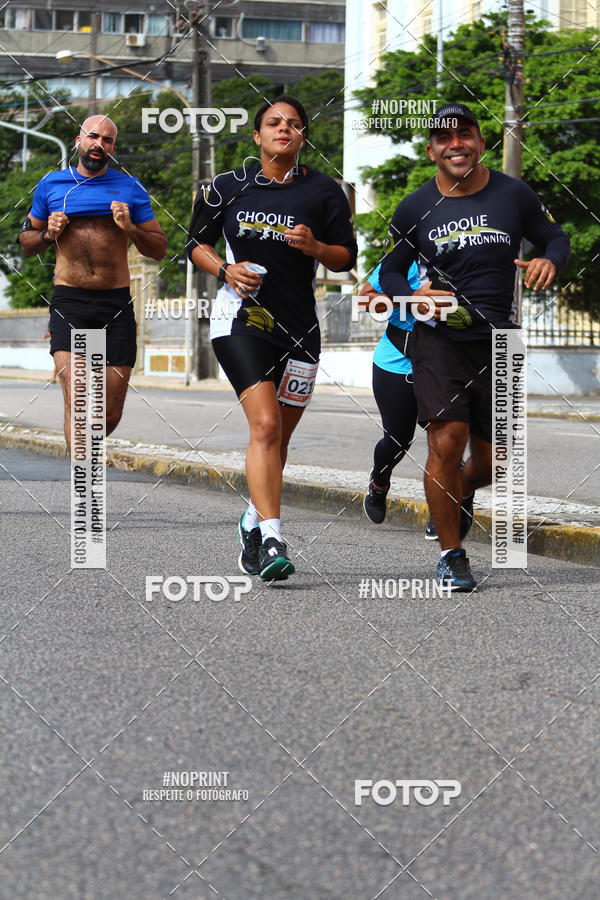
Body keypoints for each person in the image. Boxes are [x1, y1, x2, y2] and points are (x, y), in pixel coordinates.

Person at [380, 102, 571, 591]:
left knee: (493, 464)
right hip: (440, 339)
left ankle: (454, 493)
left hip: (501, 341)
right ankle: (451, 555)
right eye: (444, 138)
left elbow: (555, 237)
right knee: (446, 439)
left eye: (464, 134)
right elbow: (392, 271)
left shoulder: (514, 194)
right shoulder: (415, 207)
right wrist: (412, 296)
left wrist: (550, 259)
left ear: (481, 143)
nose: (455, 144)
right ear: (431, 151)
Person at [187, 95, 357, 581]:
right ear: (257, 135)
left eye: (295, 124)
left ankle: (252, 519)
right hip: (242, 320)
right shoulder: (227, 186)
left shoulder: (324, 190)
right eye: (274, 123)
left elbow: (346, 257)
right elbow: (195, 243)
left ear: (304, 137)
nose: (285, 129)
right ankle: (272, 539)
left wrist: (317, 246)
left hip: (300, 328)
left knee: (278, 438)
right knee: (264, 426)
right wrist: (225, 269)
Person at [19, 114, 167, 454]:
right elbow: (26, 243)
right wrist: (47, 234)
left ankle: (84, 449)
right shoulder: (51, 184)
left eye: (108, 140)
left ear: (113, 149)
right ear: (79, 141)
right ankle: (83, 478)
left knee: (108, 413)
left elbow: (159, 248)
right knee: (79, 397)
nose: (99, 144)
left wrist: (130, 228)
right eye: (93, 136)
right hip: (70, 301)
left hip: (115, 305)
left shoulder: (130, 188)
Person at [360, 261, 438, 539]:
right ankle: (379, 483)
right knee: (397, 440)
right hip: (395, 362)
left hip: (441, 365)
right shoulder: (403, 259)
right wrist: (410, 300)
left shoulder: (459, 257)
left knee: (445, 439)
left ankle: (445, 510)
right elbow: (365, 298)